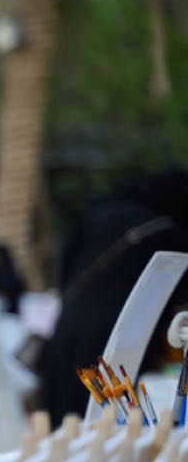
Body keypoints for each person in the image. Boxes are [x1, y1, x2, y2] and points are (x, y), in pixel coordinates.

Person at [41, 169, 188, 420]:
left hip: (69, 323)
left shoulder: (102, 211)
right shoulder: (168, 232)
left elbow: (66, 262)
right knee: (104, 423)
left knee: (62, 420)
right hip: (119, 340)